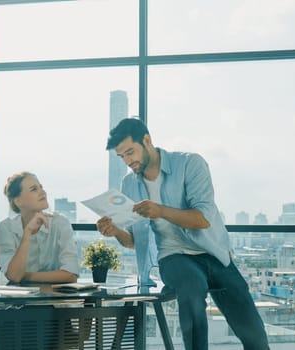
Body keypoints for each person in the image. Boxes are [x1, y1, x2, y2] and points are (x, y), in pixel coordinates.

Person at [96, 118, 269, 350]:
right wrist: (115, 231)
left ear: (147, 140)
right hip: (173, 256)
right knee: (192, 288)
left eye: (130, 152)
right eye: (122, 157)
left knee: (253, 332)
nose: (128, 161)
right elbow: (136, 242)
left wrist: (159, 211)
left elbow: (202, 219)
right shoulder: (129, 185)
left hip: (213, 253)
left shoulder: (190, 164)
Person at [0, 172, 79, 285]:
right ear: (18, 201)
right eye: (34, 189)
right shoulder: (5, 227)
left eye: (41, 187)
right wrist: (27, 233)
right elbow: (14, 276)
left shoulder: (60, 223)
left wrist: (25, 276)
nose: (43, 192)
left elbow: (70, 274)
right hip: (15, 300)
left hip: (52, 298)